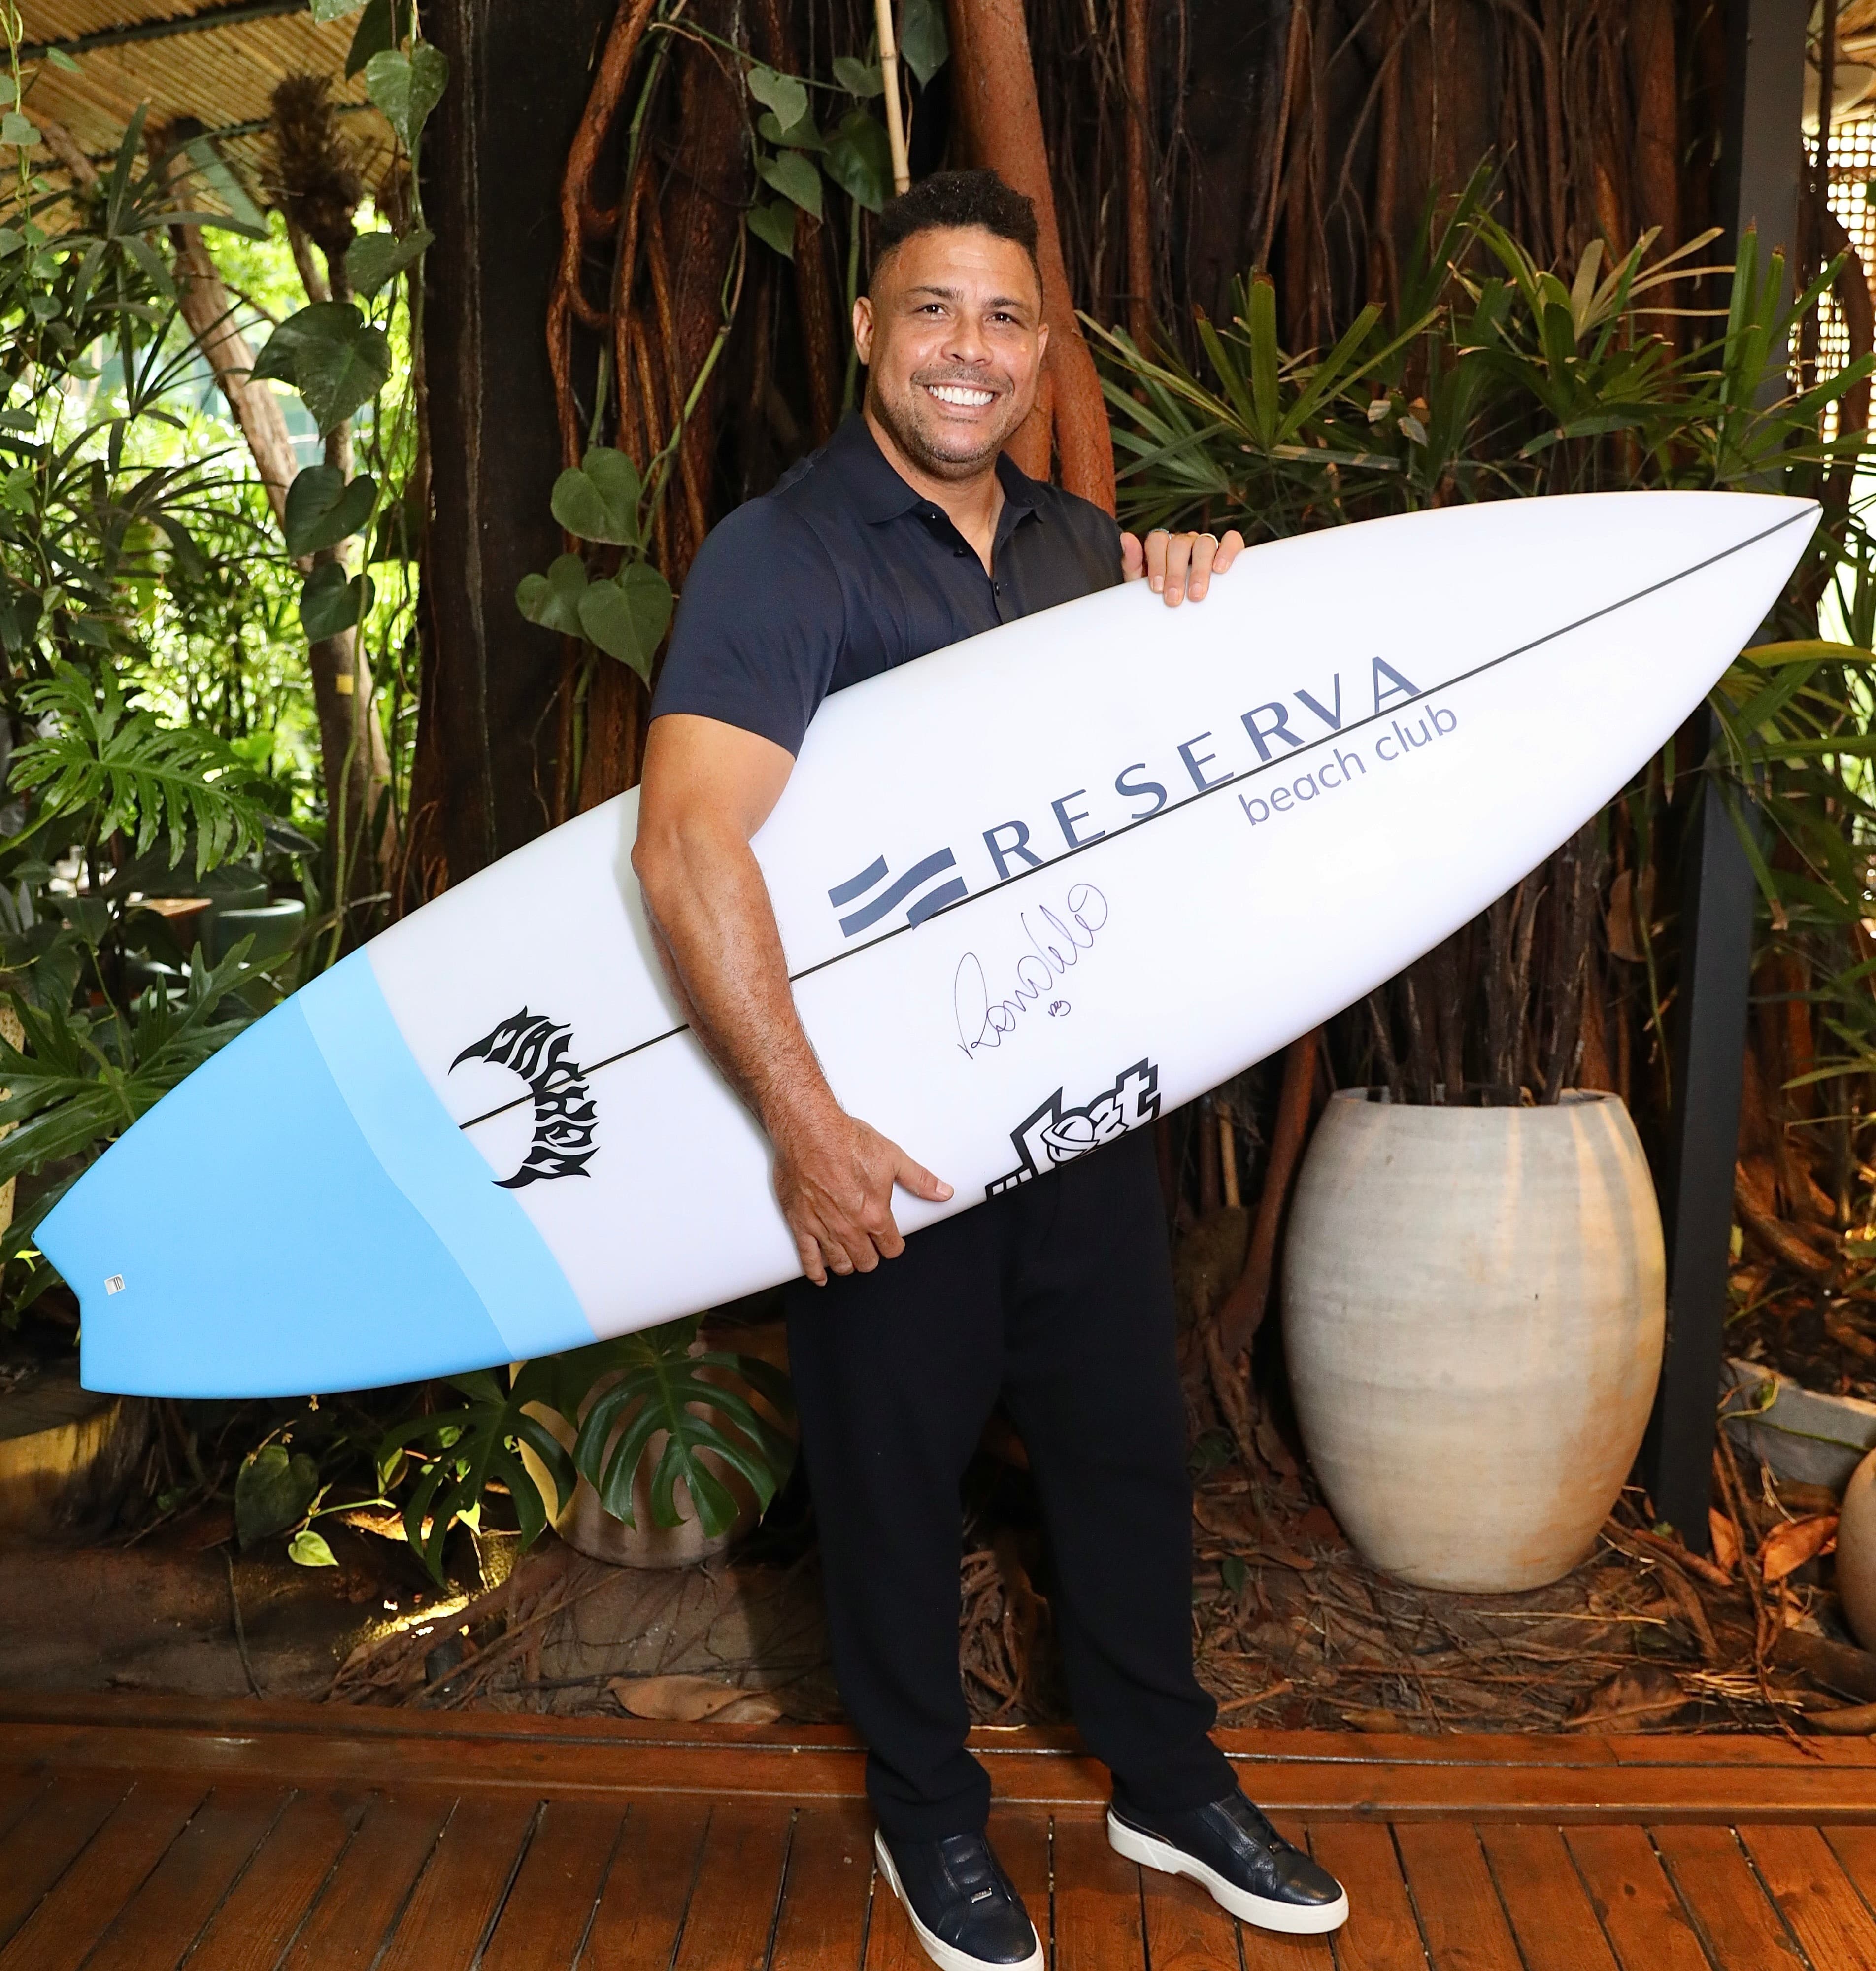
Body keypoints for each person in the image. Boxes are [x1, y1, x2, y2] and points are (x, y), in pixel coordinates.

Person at [634, 168, 1349, 1970]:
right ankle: (928, 1819)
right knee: (892, 1489)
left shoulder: (1073, 548)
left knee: (1127, 1463)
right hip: (883, 1141)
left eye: (1006, 317)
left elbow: (1155, 770)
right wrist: (806, 1130)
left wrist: (1191, 591)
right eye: (933, 310)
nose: (970, 348)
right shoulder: (782, 555)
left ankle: (1164, 1780)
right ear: (866, 331)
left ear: (1043, 350)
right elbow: (688, 845)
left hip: (1079, 1121)